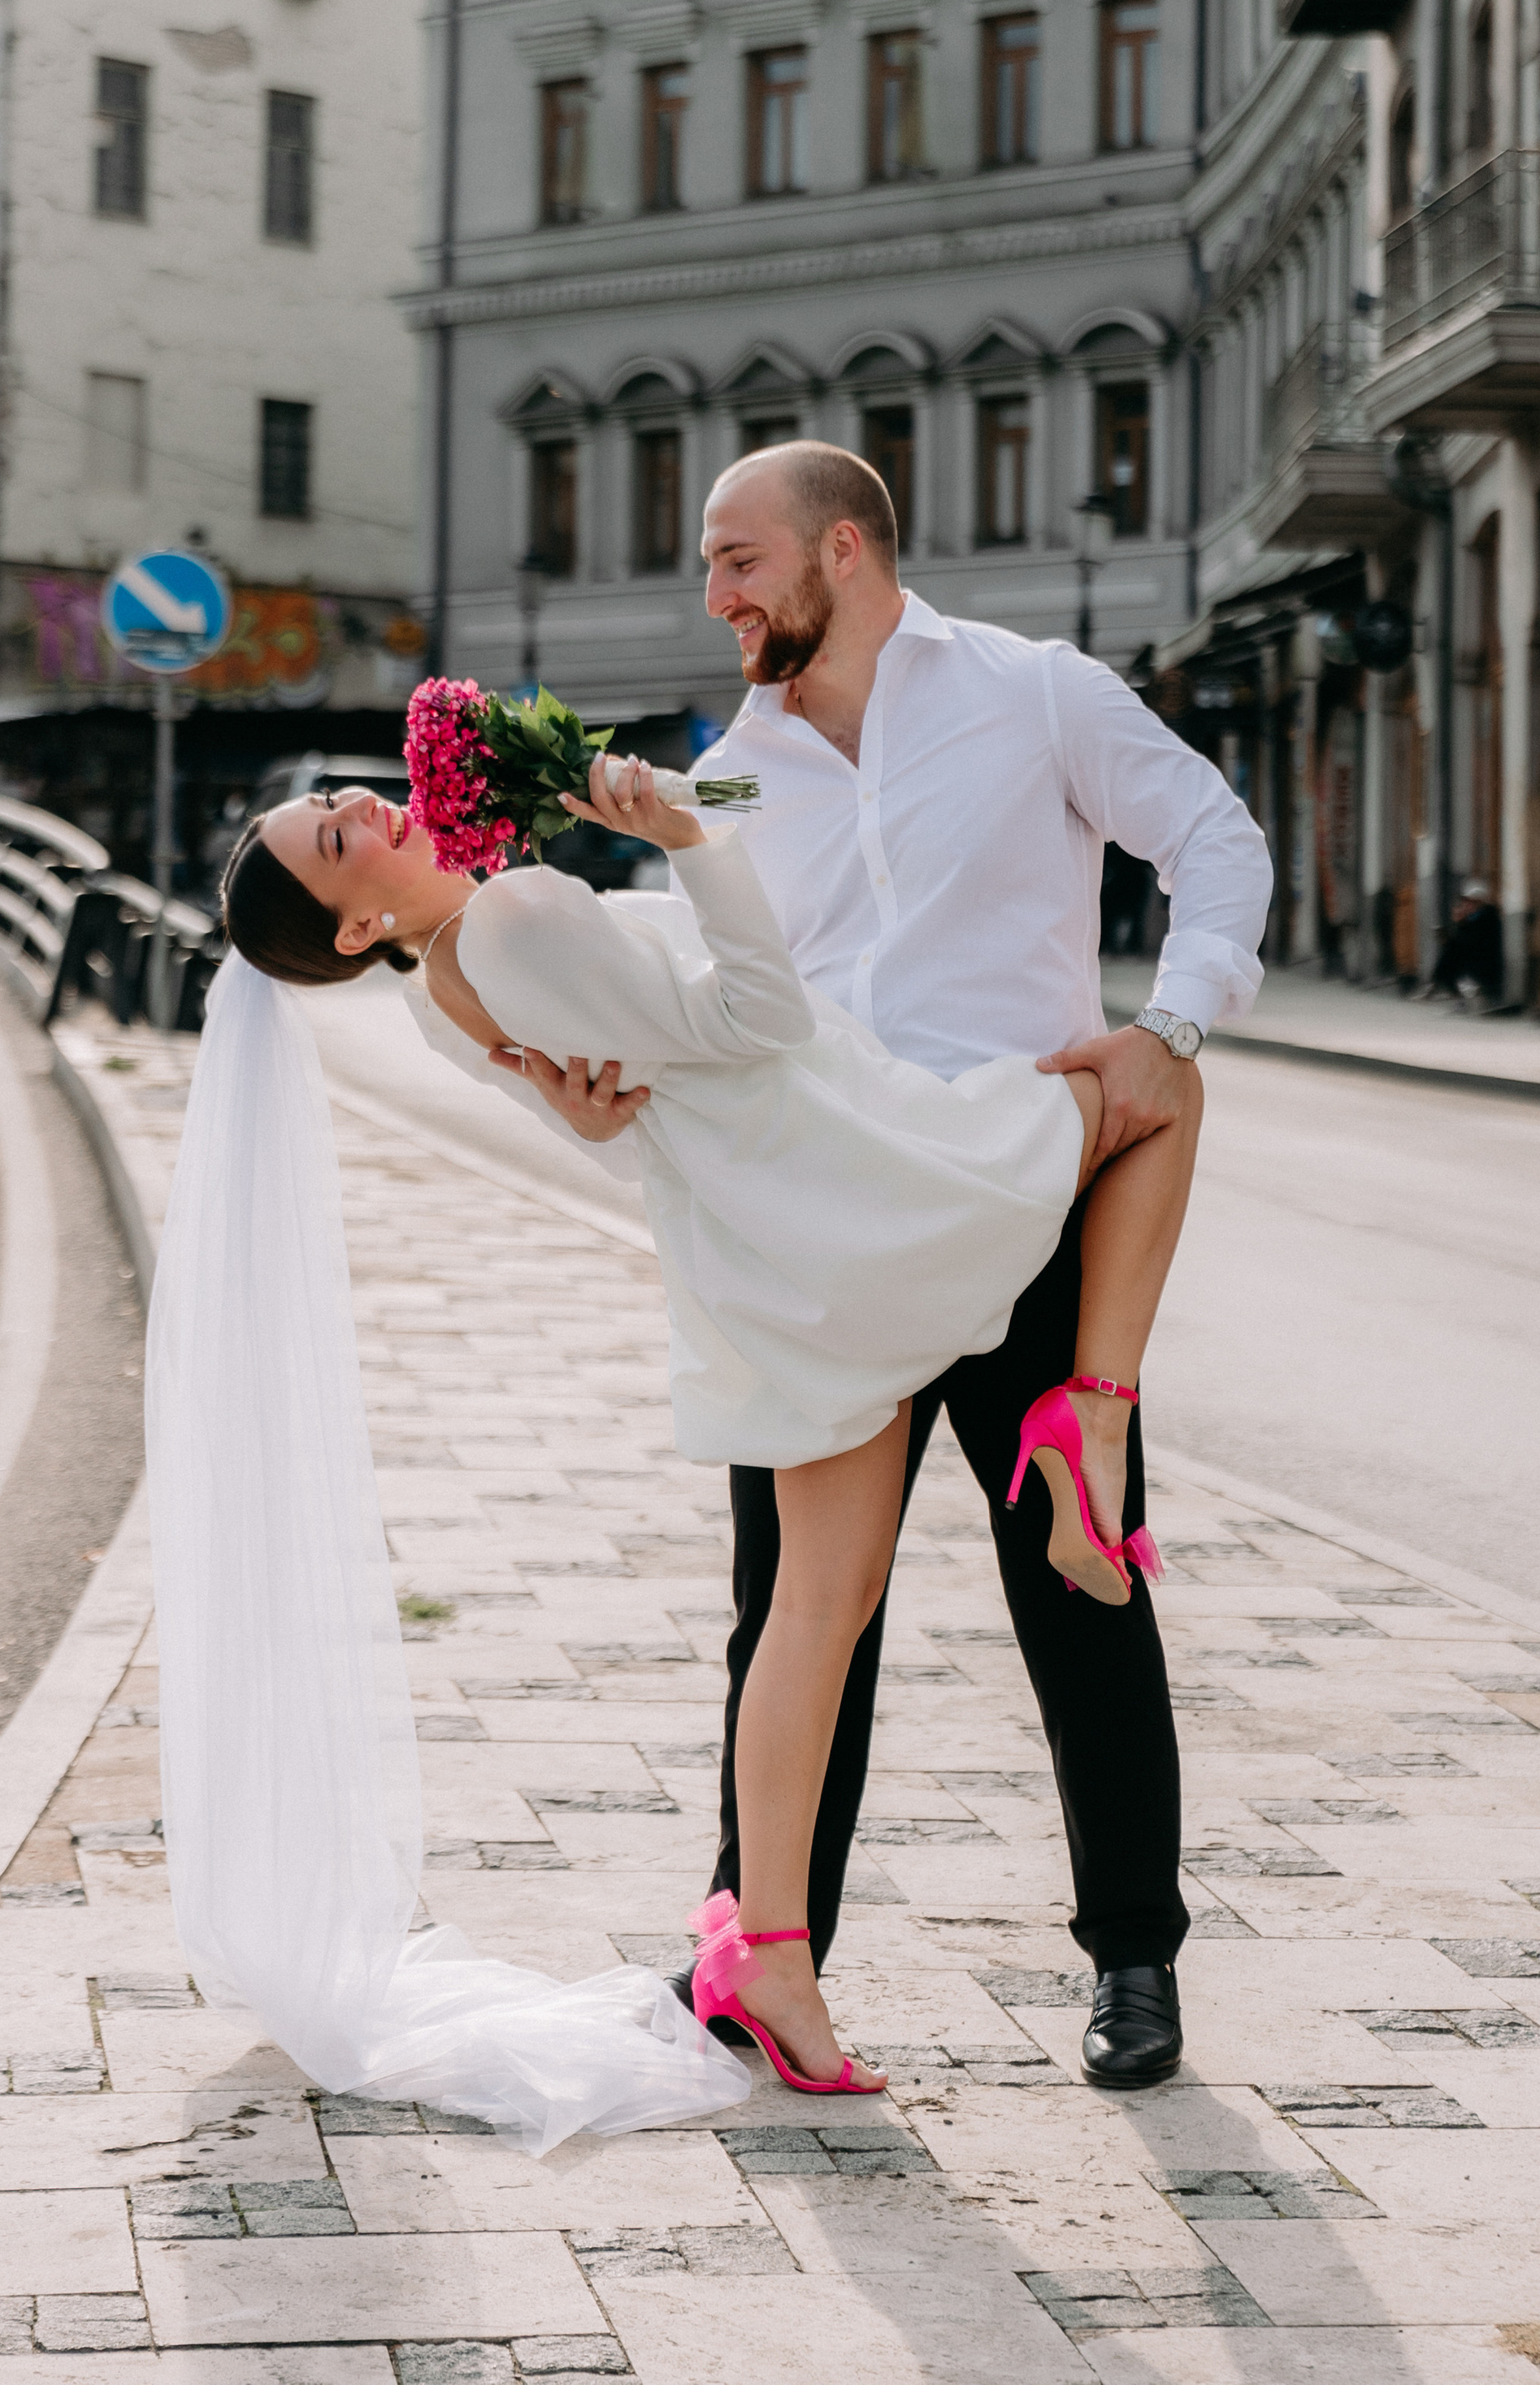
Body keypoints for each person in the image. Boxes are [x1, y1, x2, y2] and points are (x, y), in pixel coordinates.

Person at [222, 755, 1203, 2098]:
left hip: (765, 1266)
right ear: (351, 927)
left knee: (814, 1608)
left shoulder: (443, 1001)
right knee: (1161, 1092)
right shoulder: (507, 919)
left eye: (344, 798)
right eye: (337, 838)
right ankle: (1089, 1425)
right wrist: (690, 839)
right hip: (870, 1180)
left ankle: (772, 1952)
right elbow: (758, 1014)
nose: (366, 807)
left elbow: (609, 1119)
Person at [531, 441, 1273, 2089]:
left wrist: (1170, 1023)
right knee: (790, 1612)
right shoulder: (727, 775)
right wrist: (597, 1088)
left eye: (735, 559)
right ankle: (757, 1945)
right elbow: (699, 976)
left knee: (1082, 1589)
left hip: (1017, 1203)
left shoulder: (1034, 694)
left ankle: (1133, 1963)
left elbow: (1213, 843)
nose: (711, 594)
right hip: (822, 1235)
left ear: (841, 549)